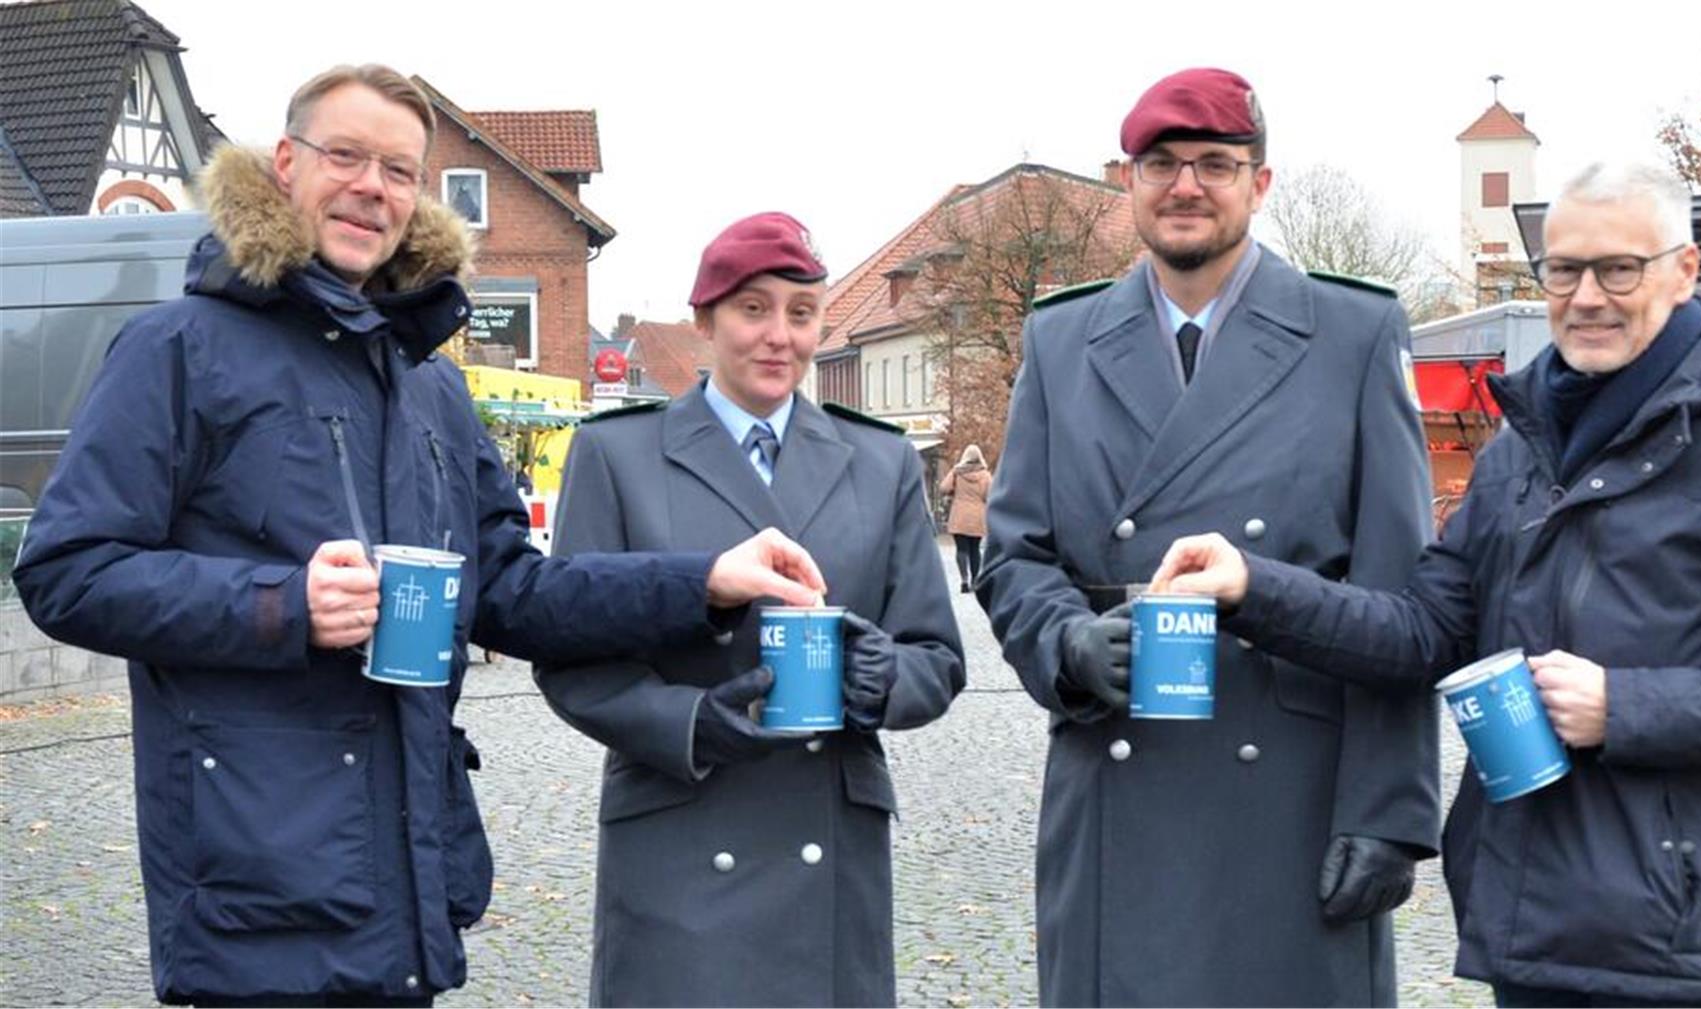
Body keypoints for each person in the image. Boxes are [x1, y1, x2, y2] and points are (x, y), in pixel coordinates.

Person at [11, 65, 825, 1008]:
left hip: (403, 873)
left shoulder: (426, 379)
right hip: (257, 881)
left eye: (399, 170)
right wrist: (282, 605)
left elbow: (512, 591)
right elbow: (66, 570)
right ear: (284, 165)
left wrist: (704, 581)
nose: (373, 187)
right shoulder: (178, 349)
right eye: (346, 156)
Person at [1151, 163, 1701, 1008]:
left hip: (1671, 943)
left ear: (1683, 271)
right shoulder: (1522, 452)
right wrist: (1253, 589)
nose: (1586, 296)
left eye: (1620, 268)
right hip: (1526, 923)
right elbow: (1422, 631)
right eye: (1564, 270)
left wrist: (1625, 706)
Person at [975, 67, 1439, 1007]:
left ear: (1260, 183)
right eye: (1162, 164)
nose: (1186, 185)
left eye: (1215, 164)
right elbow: (1016, 553)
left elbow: (1404, 598)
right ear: (1127, 181)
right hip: (1116, 777)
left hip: (1293, 796)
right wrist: (1064, 642)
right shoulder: (1063, 341)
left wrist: (1391, 811)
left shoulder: (1352, 332)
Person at [534, 211, 966, 1007]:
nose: (779, 337)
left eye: (801, 314)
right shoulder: (618, 454)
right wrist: (689, 721)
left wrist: (879, 679)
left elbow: (935, 657)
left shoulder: (881, 461)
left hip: (828, 839)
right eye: (753, 309)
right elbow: (573, 654)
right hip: (681, 824)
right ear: (704, 319)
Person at [938, 443, 993, 592]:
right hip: (977, 516)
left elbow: (943, 488)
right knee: (975, 549)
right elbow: (990, 495)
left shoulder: (957, 472)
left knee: (961, 549)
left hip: (959, 515)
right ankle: (975, 581)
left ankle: (964, 581)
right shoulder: (985, 475)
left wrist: (954, 491)